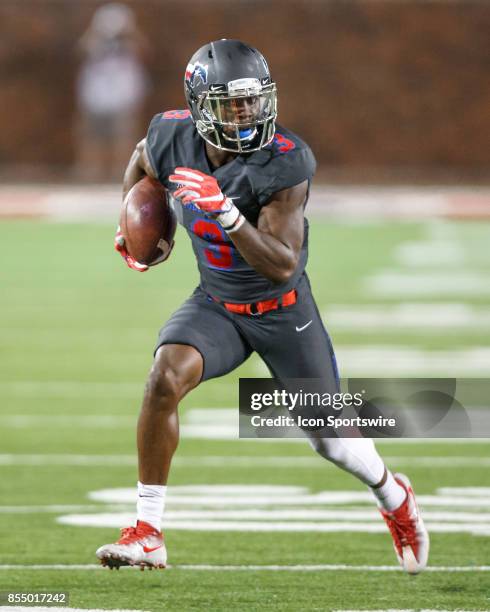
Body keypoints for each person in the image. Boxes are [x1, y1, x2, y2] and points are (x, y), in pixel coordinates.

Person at [96, 39, 429, 573]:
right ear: (202, 105)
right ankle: (148, 531)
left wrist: (225, 211)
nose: (247, 113)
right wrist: (134, 224)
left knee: (332, 443)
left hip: (283, 309)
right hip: (218, 304)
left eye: (255, 101)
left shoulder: (285, 161)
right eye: (233, 104)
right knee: (163, 378)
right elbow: (142, 162)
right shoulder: (170, 134)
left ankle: (395, 496)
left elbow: (281, 265)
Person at [75, 3, 150, 181]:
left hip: (122, 93)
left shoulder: (132, 42)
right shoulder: (94, 41)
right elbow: (80, 50)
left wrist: (129, 35)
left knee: (123, 133)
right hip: (96, 93)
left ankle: (122, 171)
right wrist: (97, 35)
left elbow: (145, 52)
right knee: (92, 134)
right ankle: (91, 172)